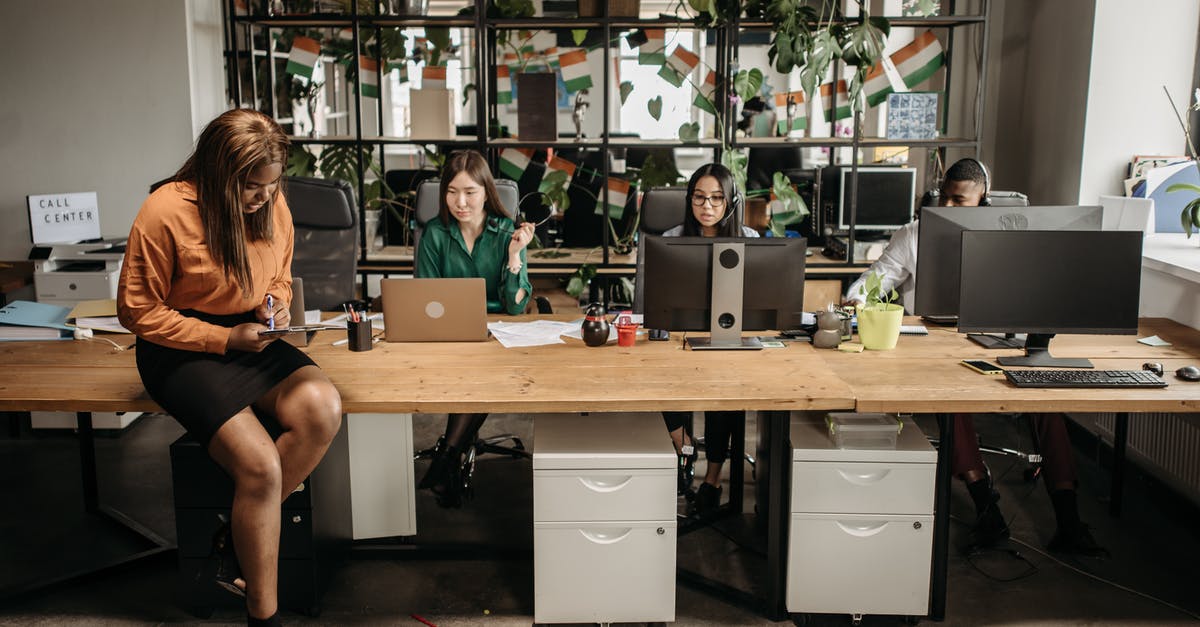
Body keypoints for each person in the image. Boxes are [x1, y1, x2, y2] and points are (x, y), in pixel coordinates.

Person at [117, 109, 344, 626]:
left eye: (272, 185)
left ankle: (233, 536)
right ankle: (262, 614)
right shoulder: (165, 211)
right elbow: (137, 310)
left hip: (252, 334)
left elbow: (282, 275)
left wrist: (276, 304)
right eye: (253, 187)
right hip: (181, 348)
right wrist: (222, 338)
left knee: (323, 407)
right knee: (260, 467)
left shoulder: (271, 202)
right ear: (220, 173)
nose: (265, 197)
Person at [843, 158, 1107, 557]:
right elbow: (878, 279)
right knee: (952, 405)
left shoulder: (1012, 238)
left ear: (983, 202)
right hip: (937, 347)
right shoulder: (914, 235)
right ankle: (985, 506)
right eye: (943, 198)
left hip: (1001, 343)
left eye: (958, 201)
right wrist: (854, 298)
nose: (946, 209)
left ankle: (1069, 522)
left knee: (1045, 403)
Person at [415, 150, 535, 508]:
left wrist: (515, 256)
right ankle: (452, 455)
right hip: (450, 335)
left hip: (498, 336)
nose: (461, 202)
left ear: (486, 192)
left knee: (480, 371)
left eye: (470, 192)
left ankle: (448, 454)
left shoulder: (506, 234)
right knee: (471, 369)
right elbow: (424, 298)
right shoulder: (435, 233)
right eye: (452, 192)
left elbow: (515, 307)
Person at [660, 163, 759, 515]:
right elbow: (650, 301)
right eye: (699, 197)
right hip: (678, 340)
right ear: (690, 200)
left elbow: (760, 298)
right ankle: (684, 444)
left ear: (731, 202)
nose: (707, 206)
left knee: (725, 389)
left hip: (728, 339)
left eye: (717, 198)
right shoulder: (671, 240)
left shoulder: (749, 240)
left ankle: (713, 479)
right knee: (661, 377)